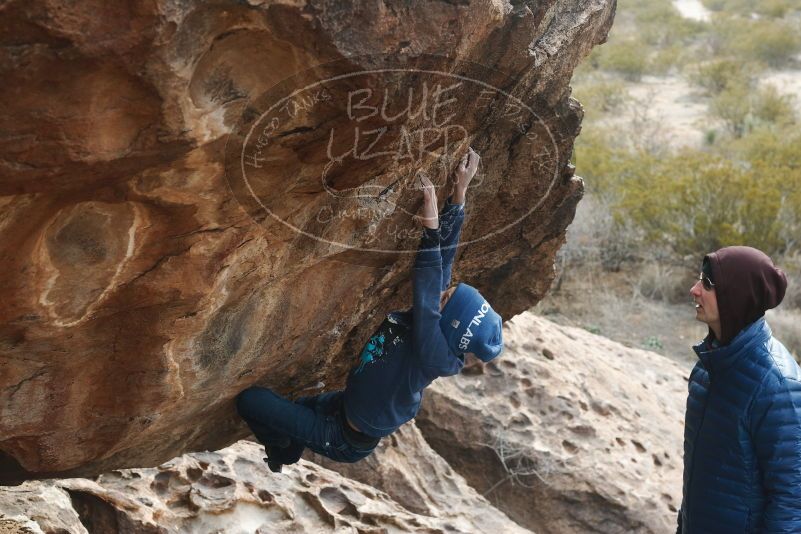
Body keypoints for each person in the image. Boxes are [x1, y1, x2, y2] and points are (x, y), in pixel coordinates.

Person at [236, 147, 503, 472]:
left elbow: (428, 285)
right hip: (341, 403)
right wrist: (459, 196)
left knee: (252, 401)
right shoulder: (436, 334)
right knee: (292, 409)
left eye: (448, 300)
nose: (445, 292)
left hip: (343, 436)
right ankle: (291, 439)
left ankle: (284, 452)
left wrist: (430, 232)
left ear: (449, 325)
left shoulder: (432, 354)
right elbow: (442, 268)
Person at [678, 246, 801, 533]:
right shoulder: (708, 369)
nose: (694, 290)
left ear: (737, 295)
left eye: (707, 284)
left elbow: (792, 503)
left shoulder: (779, 387)